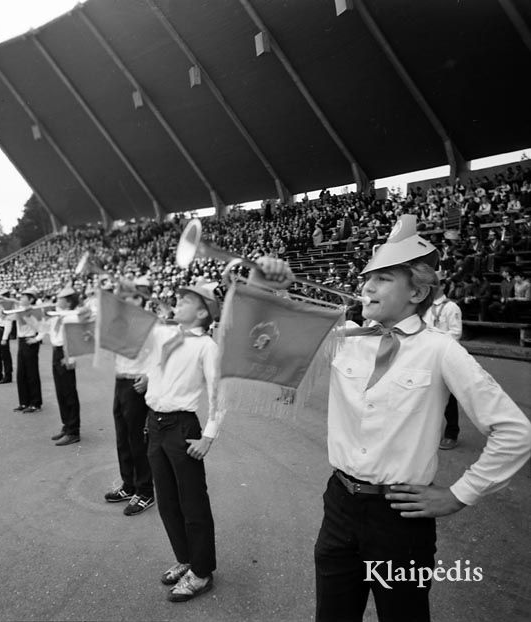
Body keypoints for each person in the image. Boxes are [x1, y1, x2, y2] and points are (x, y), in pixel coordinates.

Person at [256, 215, 531, 622]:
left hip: (400, 521)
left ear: (417, 291)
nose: (367, 286)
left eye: (383, 278)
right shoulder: (343, 338)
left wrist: (460, 494)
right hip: (340, 505)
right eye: (367, 277)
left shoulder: (439, 349)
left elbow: (514, 431)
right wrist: (269, 290)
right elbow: (267, 350)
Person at [136, 280, 221, 602]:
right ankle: (185, 558)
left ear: (201, 312)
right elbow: (153, 361)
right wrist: (147, 377)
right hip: (155, 424)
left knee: (193, 503)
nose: (178, 302)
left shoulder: (206, 347)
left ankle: (201, 572)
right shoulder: (167, 334)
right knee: (168, 501)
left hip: (182, 426)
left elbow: (218, 394)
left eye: (185, 300)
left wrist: (208, 436)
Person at [103, 278, 156, 516]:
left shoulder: (151, 324)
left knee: (138, 439)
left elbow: (164, 355)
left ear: (141, 298)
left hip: (137, 383)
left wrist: (149, 377)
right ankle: (129, 484)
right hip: (121, 380)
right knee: (122, 437)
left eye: (129, 297)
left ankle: (145, 491)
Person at [36, 285, 81, 445]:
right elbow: (45, 328)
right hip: (57, 352)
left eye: (60, 298)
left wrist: (71, 357)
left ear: (68, 302)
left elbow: (75, 338)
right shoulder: (57, 314)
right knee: (60, 391)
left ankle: (73, 430)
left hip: (66, 352)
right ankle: (66, 424)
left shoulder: (71, 316)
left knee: (69, 391)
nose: (57, 300)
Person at [423, 274, 463, 450]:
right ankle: (427, 431)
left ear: (442, 287)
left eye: (434, 285)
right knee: (425, 393)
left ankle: (451, 433)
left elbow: (456, 332)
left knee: (449, 399)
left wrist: (434, 340)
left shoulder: (451, 307)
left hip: (445, 356)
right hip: (427, 356)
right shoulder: (425, 307)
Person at [13, 287, 43, 413]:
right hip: (21, 341)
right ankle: (24, 401)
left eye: (24, 297)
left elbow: (42, 328)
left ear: (31, 299)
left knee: (32, 373)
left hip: (30, 341)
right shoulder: (19, 310)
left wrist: (36, 339)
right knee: (21, 373)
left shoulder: (35, 312)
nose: (21, 299)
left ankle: (35, 402)